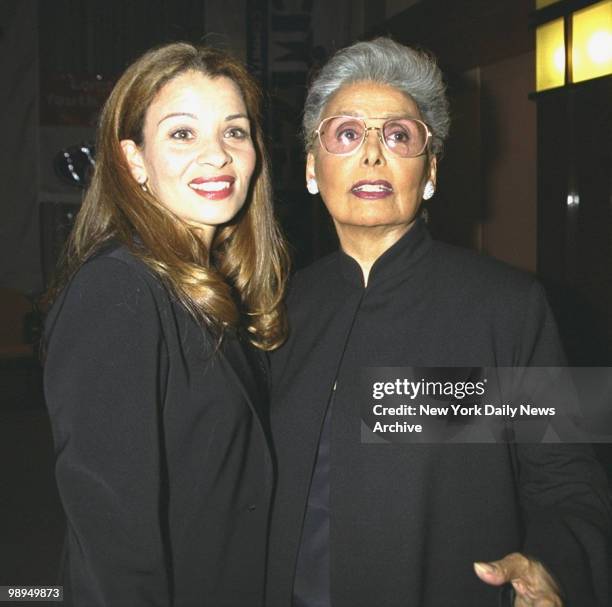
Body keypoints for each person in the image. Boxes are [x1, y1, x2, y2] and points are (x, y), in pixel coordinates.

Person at [266, 38, 610, 607]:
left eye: (399, 135)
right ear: (310, 166)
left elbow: (571, 481)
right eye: (347, 134)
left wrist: (550, 564)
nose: (372, 156)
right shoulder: (275, 309)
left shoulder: (509, 306)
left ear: (430, 171)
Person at [43, 42, 288, 607]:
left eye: (234, 131)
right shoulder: (119, 289)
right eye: (183, 133)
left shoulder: (212, 288)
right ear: (133, 160)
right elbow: (110, 529)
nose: (217, 156)